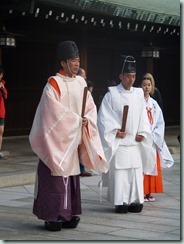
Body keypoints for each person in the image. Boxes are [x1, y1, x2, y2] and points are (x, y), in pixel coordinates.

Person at [29, 40, 108, 231]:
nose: (77, 63)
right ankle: (51, 216)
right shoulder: (53, 84)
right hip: (56, 142)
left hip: (72, 141)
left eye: (78, 59)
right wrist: (75, 121)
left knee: (71, 179)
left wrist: (86, 120)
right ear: (63, 63)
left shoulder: (81, 82)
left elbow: (90, 107)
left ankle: (69, 213)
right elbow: (52, 114)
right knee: (54, 180)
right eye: (73, 60)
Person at [97, 55, 155, 214]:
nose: (131, 79)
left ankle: (136, 200)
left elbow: (143, 116)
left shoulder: (138, 94)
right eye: (128, 76)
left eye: (134, 76)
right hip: (120, 142)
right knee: (121, 173)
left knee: (135, 172)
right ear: (121, 76)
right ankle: (120, 201)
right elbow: (104, 118)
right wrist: (115, 131)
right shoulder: (111, 94)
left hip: (135, 142)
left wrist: (143, 132)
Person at [140, 76, 174, 202]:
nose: (146, 87)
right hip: (143, 138)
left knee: (153, 165)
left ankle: (149, 192)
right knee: (143, 165)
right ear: (140, 86)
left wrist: (155, 134)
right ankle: (142, 191)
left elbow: (160, 121)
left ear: (152, 87)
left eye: (149, 85)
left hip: (153, 138)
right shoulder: (137, 102)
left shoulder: (154, 104)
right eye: (144, 85)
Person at [77, 68, 93, 177]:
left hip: (82, 123)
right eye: (83, 75)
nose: (85, 78)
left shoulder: (85, 90)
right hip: (73, 123)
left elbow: (90, 109)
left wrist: (87, 118)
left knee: (81, 146)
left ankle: (82, 168)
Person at [0, 66, 8, 159]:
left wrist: (2, 88)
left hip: (1, 111)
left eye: (1, 74)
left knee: (1, 131)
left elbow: (6, 96)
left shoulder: (2, 84)